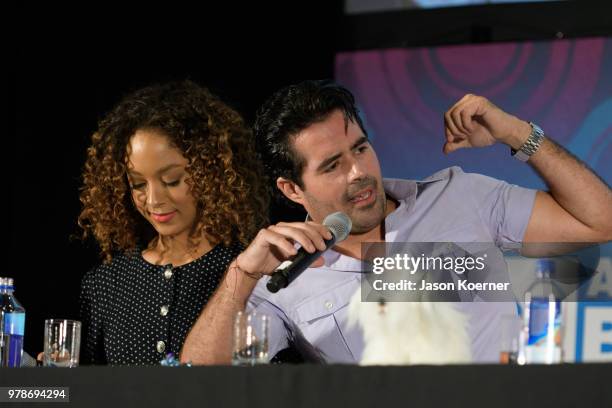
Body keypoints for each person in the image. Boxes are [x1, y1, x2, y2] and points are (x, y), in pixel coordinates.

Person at [180, 80, 612, 364]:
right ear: (292, 189)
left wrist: (516, 133)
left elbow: (600, 222)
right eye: (332, 165)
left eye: (360, 148)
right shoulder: (281, 281)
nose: (358, 172)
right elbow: (198, 377)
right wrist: (242, 274)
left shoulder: (460, 197)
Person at [77, 80, 269, 365]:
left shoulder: (254, 272)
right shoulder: (104, 285)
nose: (153, 200)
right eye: (138, 184)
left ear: (211, 173)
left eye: (172, 180)